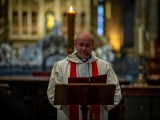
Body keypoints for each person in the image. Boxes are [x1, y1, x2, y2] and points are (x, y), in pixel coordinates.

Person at [47, 31, 122, 120]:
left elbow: (116, 92)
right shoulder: (60, 66)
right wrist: (64, 104)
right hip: (68, 115)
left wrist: (104, 105)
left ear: (93, 46)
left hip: (97, 114)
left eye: (87, 45)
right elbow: (52, 93)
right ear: (75, 44)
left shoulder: (104, 66)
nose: (84, 48)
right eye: (81, 44)